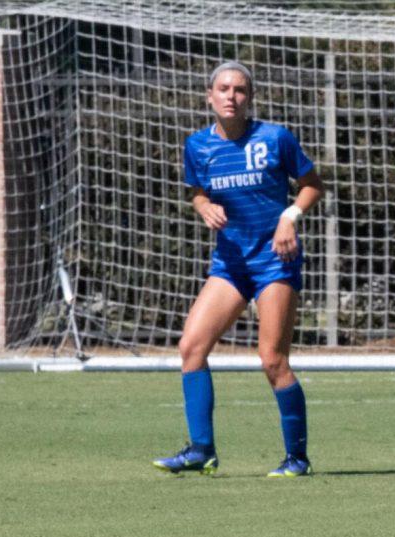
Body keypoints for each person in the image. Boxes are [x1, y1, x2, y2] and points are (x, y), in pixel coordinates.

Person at [153, 61, 324, 478]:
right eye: (224, 89)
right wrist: (203, 205)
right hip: (229, 262)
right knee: (191, 347)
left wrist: (290, 218)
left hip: (273, 260)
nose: (232, 96)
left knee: (271, 359)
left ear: (250, 98)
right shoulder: (197, 146)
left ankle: (297, 458)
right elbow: (196, 192)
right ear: (209, 96)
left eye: (241, 90)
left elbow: (312, 185)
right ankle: (201, 450)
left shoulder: (275, 138)